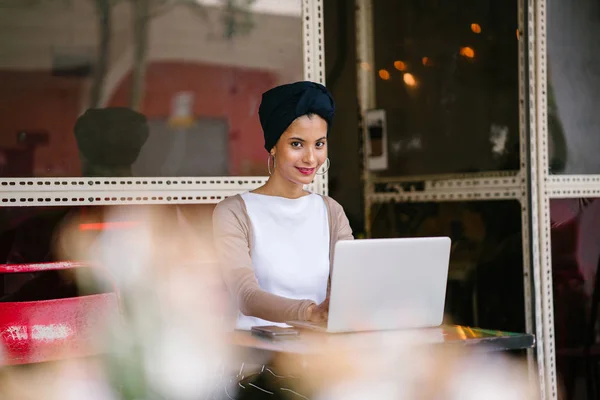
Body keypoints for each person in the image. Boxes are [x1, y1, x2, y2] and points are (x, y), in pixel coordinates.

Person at [212, 81, 353, 398]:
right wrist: (310, 313)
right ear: (273, 146)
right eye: (297, 144)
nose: (311, 158)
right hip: (255, 368)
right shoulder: (235, 211)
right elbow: (246, 296)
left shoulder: (330, 211)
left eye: (320, 144)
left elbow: (351, 283)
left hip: (318, 360)